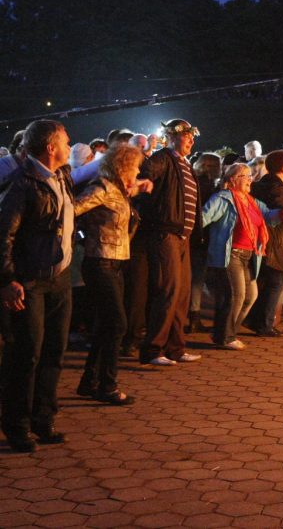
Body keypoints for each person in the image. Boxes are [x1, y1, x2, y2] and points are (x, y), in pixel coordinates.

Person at [0, 119, 74, 452]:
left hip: (60, 279)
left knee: (53, 352)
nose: (70, 147)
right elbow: (5, 235)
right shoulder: (22, 182)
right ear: (50, 147)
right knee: (26, 353)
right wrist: (8, 279)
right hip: (30, 281)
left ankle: (43, 420)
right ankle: (17, 425)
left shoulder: (62, 177)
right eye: (66, 142)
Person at [73, 144, 152, 405]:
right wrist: (84, 237)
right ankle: (107, 385)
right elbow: (71, 210)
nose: (139, 170)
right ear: (124, 166)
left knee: (106, 324)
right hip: (100, 262)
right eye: (136, 166)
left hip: (115, 263)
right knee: (117, 323)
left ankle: (90, 381)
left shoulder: (118, 189)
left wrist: (139, 186)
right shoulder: (103, 188)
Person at [202, 164, 283, 348]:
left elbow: (268, 215)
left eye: (250, 175)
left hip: (249, 255)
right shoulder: (223, 198)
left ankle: (229, 332)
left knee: (251, 296)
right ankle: (225, 337)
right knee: (237, 295)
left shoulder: (251, 201)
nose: (250, 179)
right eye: (245, 176)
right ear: (233, 180)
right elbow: (203, 217)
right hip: (231, 254)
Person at [136, 118, 203, 366]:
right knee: (168, 290)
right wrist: (145, 175)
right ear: (172, 136)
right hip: (165, 233)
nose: (191, 140)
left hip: (182, 237)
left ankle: (176, 347)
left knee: (182, 293)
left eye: (192, 136)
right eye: (187, 135)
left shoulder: (185, 164)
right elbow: (146, 172)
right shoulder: (164, 158)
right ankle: (153, 349)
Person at [246, 150, 283, 337]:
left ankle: (257, 320)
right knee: (276, 284)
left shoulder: (261, 185)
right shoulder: (277, 188)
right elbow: (282, 211)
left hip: (268, 241)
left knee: (266, 283)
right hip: (279, 243)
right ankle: (264, 324)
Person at [188, 153, 222, 334]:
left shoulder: (192, 183)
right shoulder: (212, 188)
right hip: (203, 236)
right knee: (198, 278)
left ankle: (188, 314)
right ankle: (194, 315)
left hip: (188, 235)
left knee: (190, 276)